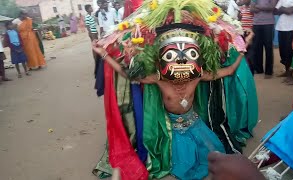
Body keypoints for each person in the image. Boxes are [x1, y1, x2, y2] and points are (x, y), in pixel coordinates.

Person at [91, 0, 257, 178]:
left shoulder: (198, 76)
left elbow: (230, 70)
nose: (180, 62)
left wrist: (242, 48)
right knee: (184, 163)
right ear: (161, 60)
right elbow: (128, 75)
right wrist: (105, 54)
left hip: (195, 124)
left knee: (213, 152)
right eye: (172, 55)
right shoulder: (159, 79)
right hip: (173, 130)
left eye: (189, 54)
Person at [275, 0, 293, 84]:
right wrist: (285, 9)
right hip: (281, 27)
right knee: (283, 52)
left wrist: (282, 9)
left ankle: (291, 76)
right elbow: (275, 11)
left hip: (292, 28)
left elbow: (291, 11)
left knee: (290, 52)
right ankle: (286, 71)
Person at [251, 0, 277, 78]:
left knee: (268, 47)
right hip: (256, 23)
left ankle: (269, 72)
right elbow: (251, 9)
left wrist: (258, 7)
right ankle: (259, 69)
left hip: (268, 23)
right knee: (257, 47)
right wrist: (264, 8)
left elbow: (272, 7)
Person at [238, 0, 255, 75]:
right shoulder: (241, 9)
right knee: (244, 51)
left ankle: (251, 69)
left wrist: (252, 32)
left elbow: (255, 21)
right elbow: (240, 20)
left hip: (250, 32)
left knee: (250, 51)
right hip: (242, 32)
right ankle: (246, 68)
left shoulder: (252, 9)